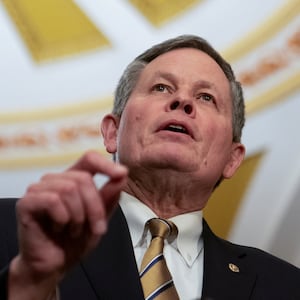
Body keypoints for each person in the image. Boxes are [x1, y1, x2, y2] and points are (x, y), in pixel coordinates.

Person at [0, 35, 299, 300]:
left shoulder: (284, 286)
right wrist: (29, 284)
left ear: (233, 159)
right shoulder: (16, 229)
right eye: (161, 87)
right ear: (112, 132)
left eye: (206, 97)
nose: (182, 100)